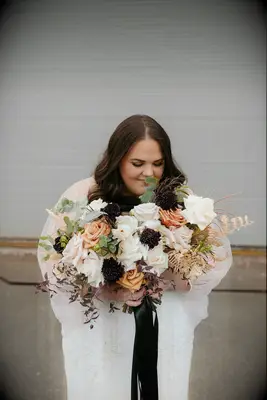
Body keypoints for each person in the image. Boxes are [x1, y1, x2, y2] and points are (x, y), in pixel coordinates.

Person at [37, 114, 233, 399]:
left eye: (158, 163)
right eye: (137, 164)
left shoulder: (180, 200)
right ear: (117, 160)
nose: (149, 173)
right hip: (103, 323)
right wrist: (105, 286)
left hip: (164, 320)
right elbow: (53, 262)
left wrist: (175, 278)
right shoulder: (83, 196)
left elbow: (214, 258)